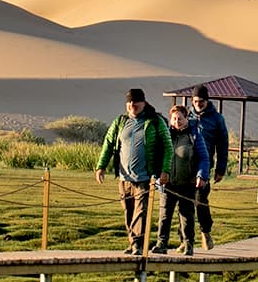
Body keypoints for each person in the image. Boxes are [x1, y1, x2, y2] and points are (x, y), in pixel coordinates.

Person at [94, 88, 172, 254]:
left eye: (135, 102)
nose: (132, 105)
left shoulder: (155, 121)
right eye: (129, 102)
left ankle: (138, 243)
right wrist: (101, 167)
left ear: (143, 103)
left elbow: (168, 147)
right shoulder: (120, 121)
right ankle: (133, 242)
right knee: (128, 211)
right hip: (124, 178)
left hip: (145, 177)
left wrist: (165, 170)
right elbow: (108, 144)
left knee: (140, 211)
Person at [152, 105, 210, 256]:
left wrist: (201, 175)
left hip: (188, 184)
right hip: (168, 183)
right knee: (164, 214)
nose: (177, 121)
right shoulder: (165, 135)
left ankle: (188, 244)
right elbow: (158, 157)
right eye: (174, 118)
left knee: (187, 215)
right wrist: (157, 175)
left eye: (180, 118)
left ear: (186, 119)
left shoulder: (194, 136)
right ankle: (161, 243)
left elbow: (204, 158)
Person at [189, 84, 229, 250]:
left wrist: (220, 169)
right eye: (196, 101)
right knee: (184, 204)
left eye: (202, 101)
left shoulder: (217, 119)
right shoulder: (186, 115)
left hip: (203, 167)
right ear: (192, 100)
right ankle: (186, 240)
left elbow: (223, 145)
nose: (198, 104)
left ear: (207, 100)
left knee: (200, 201)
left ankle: (205, 232)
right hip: (184, 166)